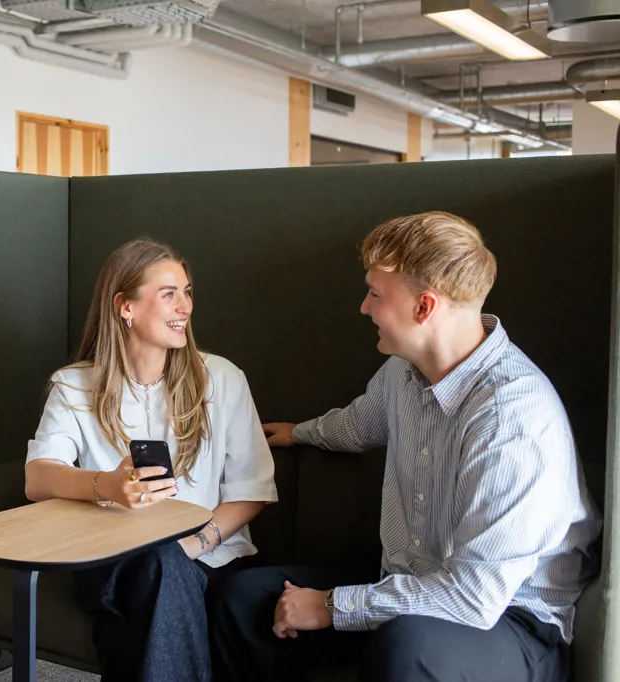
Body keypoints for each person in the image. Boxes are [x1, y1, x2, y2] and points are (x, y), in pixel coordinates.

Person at [211, 211, 602, 682]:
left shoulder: (511, 420)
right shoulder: (405, 370)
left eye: (375, 293)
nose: (363, 307)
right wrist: (299, 432)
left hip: (510, 619)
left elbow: (475, 596)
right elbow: (361, 423)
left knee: (408, 648)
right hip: (412, 583)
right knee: (242, 600)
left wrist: (334, 606)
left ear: (424, 308)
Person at [24, 238, 278, 682]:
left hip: (211, 555)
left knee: (157, 579)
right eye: (169, 294)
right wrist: (106, 486)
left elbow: (251, 491)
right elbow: (38, 478)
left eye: (187, 291)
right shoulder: (73, 386)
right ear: (125, 307)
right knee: (158, 567)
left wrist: (196, 544)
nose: (185, 307)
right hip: (112, 559)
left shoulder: (222, 379)